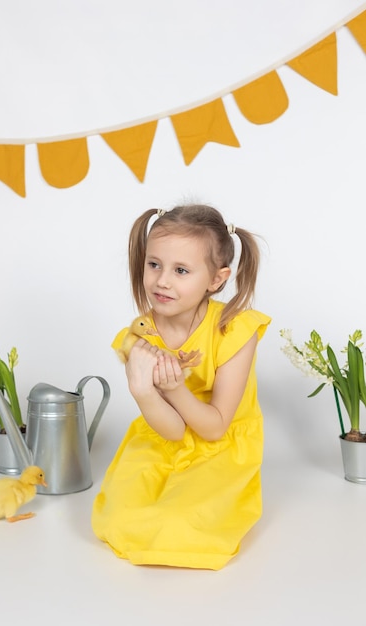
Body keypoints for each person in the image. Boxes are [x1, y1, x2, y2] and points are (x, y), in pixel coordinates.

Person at [91, 203, 271, 570]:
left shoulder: (236, 330)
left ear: (216, 279)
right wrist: (143, 392)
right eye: (154, 264)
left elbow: (216, 426)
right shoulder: (138, 338)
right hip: (165, 436)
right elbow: (172, 431)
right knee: (121, 517)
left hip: (219, 442)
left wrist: (174, 389)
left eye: (181, 270)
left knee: (183, 523)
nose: (162, 281)